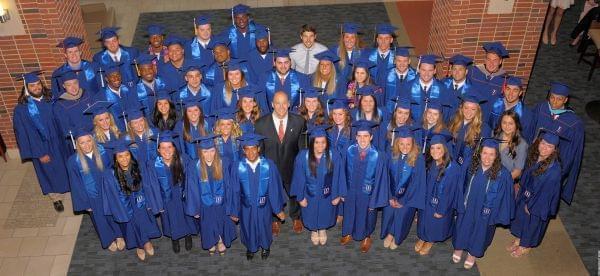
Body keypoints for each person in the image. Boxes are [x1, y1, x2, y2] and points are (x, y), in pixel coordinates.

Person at [452, 139, 514, 269]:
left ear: (496, 156)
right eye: (484, 153)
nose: (487, 157)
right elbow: (461, 184)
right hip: (468, 205)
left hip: (486, 210)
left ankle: (472, 253)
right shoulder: (471, 166)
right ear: (479, 153)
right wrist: (459, 202)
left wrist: (495, 214)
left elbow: (504, 198)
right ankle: (459, 247)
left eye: (491, 154)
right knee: (463, 225)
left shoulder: (503, 174)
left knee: (480, 231)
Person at [13, 71, 70, 212]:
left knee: (65, 166)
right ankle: (56, 198)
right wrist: (39, 153)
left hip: (60, 142)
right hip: (41, 146)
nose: (36, 87)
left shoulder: (51, 99)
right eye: (32, 86)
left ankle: (71, 188)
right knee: (49, 171)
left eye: (38, 84)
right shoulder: (22, 110)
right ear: (27, 88)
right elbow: (23, 135)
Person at [227, 132, 287, 260]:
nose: (251, 153)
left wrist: (278, 209)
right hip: (246, 207)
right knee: (248, 227)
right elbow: (234, 191)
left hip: (263, 206)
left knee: (264, 226)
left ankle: (265, 246)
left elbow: (274, 189)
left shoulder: (268, 165)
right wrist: (234, 211)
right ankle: (251, 247)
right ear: (243, 150)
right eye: (247, 150)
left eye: (253, 149)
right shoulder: (237, 167)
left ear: (258, 149)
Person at [254, 91, 307, 235]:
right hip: (271, 168)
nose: (281, 106)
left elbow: (302, 148)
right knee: (272, 194)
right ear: (272, 104)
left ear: (289, 104)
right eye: (277, 103)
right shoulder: (260, 124)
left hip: (292, 167)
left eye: (284, 103)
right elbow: (259, 151)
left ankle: (296, 217)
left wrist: (301, 169)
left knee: (294, 194)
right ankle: (274, 220)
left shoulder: (299, 122)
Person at [102, 138, 162, 261]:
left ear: (131, 154)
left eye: (127, 155)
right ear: (115, 158)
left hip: (141, 202)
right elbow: (110, 195)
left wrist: (150, 202)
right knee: (132, 227)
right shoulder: (110, 174)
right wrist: (115, 210)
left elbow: (147, 186)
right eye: (120, 156)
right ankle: (139, 246)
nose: (124, 159)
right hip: (124, 206)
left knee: (144, 223)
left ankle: (146, 242)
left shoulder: (138, 167)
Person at [67, 129, 124, 251]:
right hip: (92, 195)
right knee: (100, 218)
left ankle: (119, 235)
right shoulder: (73, 161)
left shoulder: (103, 152)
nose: (86, 145)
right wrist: (85, 203)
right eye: (82, 143)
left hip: (107, 190)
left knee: (113, 213)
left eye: (88, 141)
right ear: (77, 144)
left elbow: (112, 169)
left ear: (93, 141)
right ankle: (108, 239)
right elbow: (75, 184)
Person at [508, 131, 563, 257]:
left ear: (554, 150)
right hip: (526, 194)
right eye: (543, 143)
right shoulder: (535, 156)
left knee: (531, 223)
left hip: (538, 202)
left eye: (549, 146)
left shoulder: (554, 171)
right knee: (521, 218)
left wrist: (531, 205)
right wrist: (520, 186)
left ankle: (525, 245)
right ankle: (520, 238)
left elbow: (547, 194)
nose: (544, 148)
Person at [339, 120, 389, 253]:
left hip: (368, 194)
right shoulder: (349, 150)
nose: (362, 139)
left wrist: (375, 201)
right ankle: (348, 232)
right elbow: (342, 173)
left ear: (371, 137)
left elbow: (381, 181)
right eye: (359, 136)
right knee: (349, 212)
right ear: (355, 136)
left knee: (367, 216)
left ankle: (366, 237)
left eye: (366, 136)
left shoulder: (379, 155)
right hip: (350, 192)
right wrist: (343, 192)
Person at [144, 131, 196, 253]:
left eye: (169, 147)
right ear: (158, 149)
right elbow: (151, 186)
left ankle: (188, 235)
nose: (166, 151)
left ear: (174, 148)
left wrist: (191, 199)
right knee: (170, 219)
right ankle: (175, 238)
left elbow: (191, 181)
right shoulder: (153, 165)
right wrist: (157, 204)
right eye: (163, 148)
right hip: (165, 199)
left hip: (182, 196)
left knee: (186, 217)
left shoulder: (184, 160)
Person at [291, 125, 344, 245]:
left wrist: (337, 195)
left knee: (326, 212)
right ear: (311, 143)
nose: (320, 145)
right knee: (310, 212)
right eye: (316, 142)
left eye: (323, 142)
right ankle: (314, 230)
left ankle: (322, 229)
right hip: (310, 194)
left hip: (327, 193)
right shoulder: (303, 156)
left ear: (327, 142)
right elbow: (299, 178)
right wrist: (300, 197)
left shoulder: (334, 155)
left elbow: (339, 176)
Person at [185, 135, 237, 255]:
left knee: (221, 221)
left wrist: (230, 204)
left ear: (216, 150)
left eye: (212, 151)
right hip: (205, 203)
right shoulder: (194, 166)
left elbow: (230, 186)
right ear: (200, 151)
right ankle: (211, 242)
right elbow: (192, 188)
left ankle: (219, 240)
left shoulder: (224, 162)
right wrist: (195, 209)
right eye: (205, 151)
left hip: (221, 202)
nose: (209, 155)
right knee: (208, 224)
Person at [532, 82, 584, 204]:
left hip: (551, 166)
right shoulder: (541, 108)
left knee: (541, 199)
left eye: (559, 99)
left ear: (565, 100)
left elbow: (571, 153)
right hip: (533, 158)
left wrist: (561, 171)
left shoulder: (574, 123)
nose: (554, 102)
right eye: (552, 97)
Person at [415, 131, 463, 256]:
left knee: (434, 222)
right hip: (427, 200)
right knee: (424, 218)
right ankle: (423, 236)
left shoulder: (452, 169)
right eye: (432, 147)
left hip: (440, 203)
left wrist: (441, 210)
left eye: (438, 148)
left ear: (445, 149)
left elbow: (450, 193)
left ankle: (430, 240)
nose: (435, 151)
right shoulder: (430, 162)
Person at [381, 126, 426, 250]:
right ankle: (390, 233)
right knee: (389, 211)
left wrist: (403, 200)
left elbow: (417, 183)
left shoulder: (418, 158)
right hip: (391, 194)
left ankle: (397, 235)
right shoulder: (391, 154)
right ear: (397, 143)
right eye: (401, 143)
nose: (405, 147)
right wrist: (389, 196)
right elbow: (386, 177)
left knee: (402, 214)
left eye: (408, 144)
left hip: (408, 197)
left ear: (413, 144)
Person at [53, 70, 95, 154]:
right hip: (80, 142)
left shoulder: (88, 95)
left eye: (75, 83)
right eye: (69, 85)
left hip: (97, 136)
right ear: (64, 86)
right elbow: (65, 128)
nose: (73, 87)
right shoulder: (60, 105)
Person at [448, 93, 492, 167]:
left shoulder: (483, 128)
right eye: (466, 108)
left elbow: (482, 152)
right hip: (449, 162)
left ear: (478, 111)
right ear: (461, 108)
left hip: (467, 167)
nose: (469, 111)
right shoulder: (454, 121)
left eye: (473, 109)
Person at [488, 76, 535, 143]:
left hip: (511, 147)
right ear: (504, 89)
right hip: (491, 142)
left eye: (515, 90)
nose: (510, 93)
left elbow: (526, 138)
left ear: (520, 92)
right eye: (508, 89)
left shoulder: (527, 114)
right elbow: (486, 124)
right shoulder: (494, 103)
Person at [468, 42, 509, 118]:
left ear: (500, 62)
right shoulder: (473, 72)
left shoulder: (504, 80)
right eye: (489, 59)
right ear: (485, 60)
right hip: (469, 115)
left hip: (487, 118)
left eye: (495, 60)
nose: (491, 63)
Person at [95, 63, 138, 132]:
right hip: (116, 132)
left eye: (118, 75)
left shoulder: (129, 89)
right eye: (112, 76)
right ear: (106, 79)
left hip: (135, 128)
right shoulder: (101, 97)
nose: (116, 78)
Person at [402, 54, 446, 122]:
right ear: (419, 70)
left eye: (430, 70)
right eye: (423, 70)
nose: (426, 74)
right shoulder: (408, 86)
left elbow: (444, 111)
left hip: (432, 126)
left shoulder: (442, 88)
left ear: (434, 71)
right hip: (412, 126)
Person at [495, 111, 529, 186]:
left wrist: (501, 182)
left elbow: (517, 172)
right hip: (490, 177)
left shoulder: (522, 144)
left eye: (511, 123)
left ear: (516, 125)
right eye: (504, 123)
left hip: (505, 182)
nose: (507, 126)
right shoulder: (495, 136)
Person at [351, 85, 388, 150]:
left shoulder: (383, 115)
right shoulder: (354, 115)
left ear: (375, 102)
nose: (368, 103)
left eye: (371, 101)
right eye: (365, 101)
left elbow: (384, 140)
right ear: (360, 102)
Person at [133, 54, 166, 122]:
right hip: (149, 125)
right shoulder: (135, 90)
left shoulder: (163, 83)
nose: (148, 72)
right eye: (143, 70)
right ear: (139, 72)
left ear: (154, 69)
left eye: (150, 68)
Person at [441, 54, 473, 124]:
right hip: (440, 124)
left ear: (466, 71)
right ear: (451, 70)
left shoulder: (471, 90)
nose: (457, 72)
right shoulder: (443, 83)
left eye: (460, 69)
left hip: (457, 127)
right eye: (454, 69)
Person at [384, 47, 417, 114]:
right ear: (395, 61)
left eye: (405, 61)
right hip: (389, 112)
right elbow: (381, 96)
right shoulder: (386, 75)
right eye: (399, 61)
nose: (402, 64)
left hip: (408, 115)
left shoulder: (416, 77)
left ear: (409, 61)